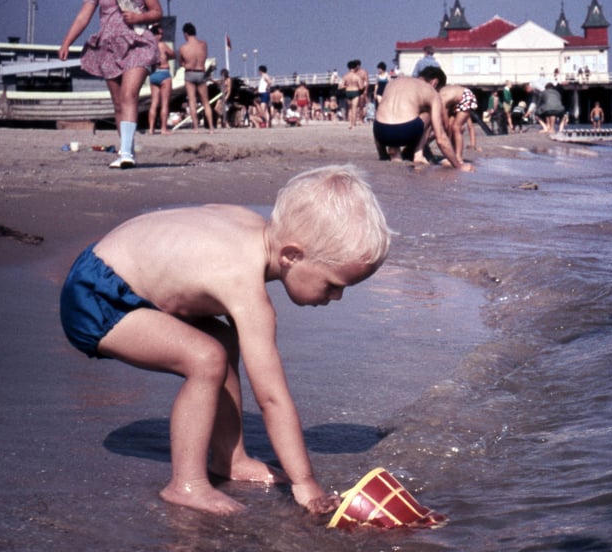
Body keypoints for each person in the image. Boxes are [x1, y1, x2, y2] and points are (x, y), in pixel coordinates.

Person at [59, 166, 391, 516]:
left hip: (110, 266)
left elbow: (199, 224)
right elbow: (272, 399)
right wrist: (304, 481)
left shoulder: (249, 224)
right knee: (206, 358)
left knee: (224, 339)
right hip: (96, 298)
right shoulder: (244, 286)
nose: (336, 297)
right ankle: (186, 484)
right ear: (291, 256)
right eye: (332, 284)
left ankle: (229, 459)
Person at [59, 0, 163, 169]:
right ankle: (127, 151)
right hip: (109, 48)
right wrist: (67, 42)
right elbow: (83, 17)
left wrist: (140, 17)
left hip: (138, 44)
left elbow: (157, 12)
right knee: (118, 104)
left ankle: (125, 154)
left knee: (128, 95)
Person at [373, 66, 472, 172]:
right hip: (404, 131)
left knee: (389, 114)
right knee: (428, 112)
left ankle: (393, 151)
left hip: (380, 132)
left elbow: (381, 112)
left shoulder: (394, 81)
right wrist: (459, 165)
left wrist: (382, 154)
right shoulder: (430, 90)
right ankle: (418, 154)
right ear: (435, 82)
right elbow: (441, 139)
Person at [178, 22, 214, 134]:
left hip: (189, 73)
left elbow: (181, 63)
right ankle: (211, 128)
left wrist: (187, 64)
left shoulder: (183, 48)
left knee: (192, 101)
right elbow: (205, 57)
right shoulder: (203, 45)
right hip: (201, 72)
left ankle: (196, 128)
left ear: (185, 34)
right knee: (205, 102)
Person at [439, 85, 480, 166]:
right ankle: (452, 155)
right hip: (456, 100)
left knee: (456, 127)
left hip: (465, 96)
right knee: (450, 128)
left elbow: (445, 122)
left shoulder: (441, 100)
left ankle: (458, 157)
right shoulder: (442, 99)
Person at [146, 24, 175, 135]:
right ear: (155, 34)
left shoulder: (149, 46)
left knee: (154, 103)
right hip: (164, 73)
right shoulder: (162, 45)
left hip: (153, 74)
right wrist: (166, 57)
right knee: (164, 103)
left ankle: (151, 129)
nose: (162, 36)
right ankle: (163, 128)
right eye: (160, 34)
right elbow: (173, 55)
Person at [340, 60, 365, 130]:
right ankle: (353, 125)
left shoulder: (345, 76)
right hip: (355, 92)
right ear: (355, 67)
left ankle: (349, 124)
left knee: (350, 109)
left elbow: (341, 86)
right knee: (354, 109)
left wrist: (346, 86)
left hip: (348, 92)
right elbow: (361, 87)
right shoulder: (357, 77)